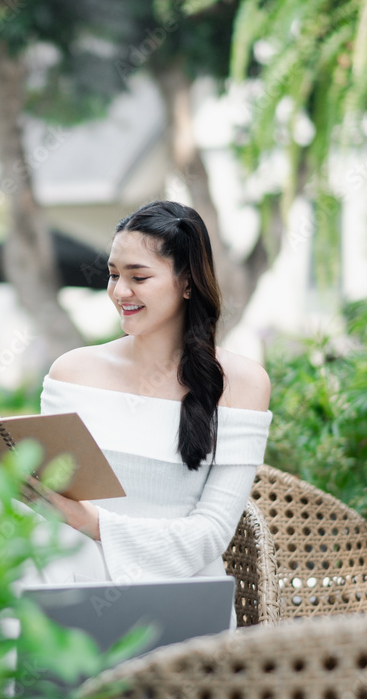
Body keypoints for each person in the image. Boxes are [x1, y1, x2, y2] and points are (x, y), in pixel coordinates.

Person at [32, 199, 272, 593]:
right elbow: (51, 505)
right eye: (112, 275)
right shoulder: (71, 373)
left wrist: (90, 522)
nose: (119, 291)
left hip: (181, 597)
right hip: (71, 581)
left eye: (138, 278)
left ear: (188, 282)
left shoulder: (243, 383)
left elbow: (209, 536)